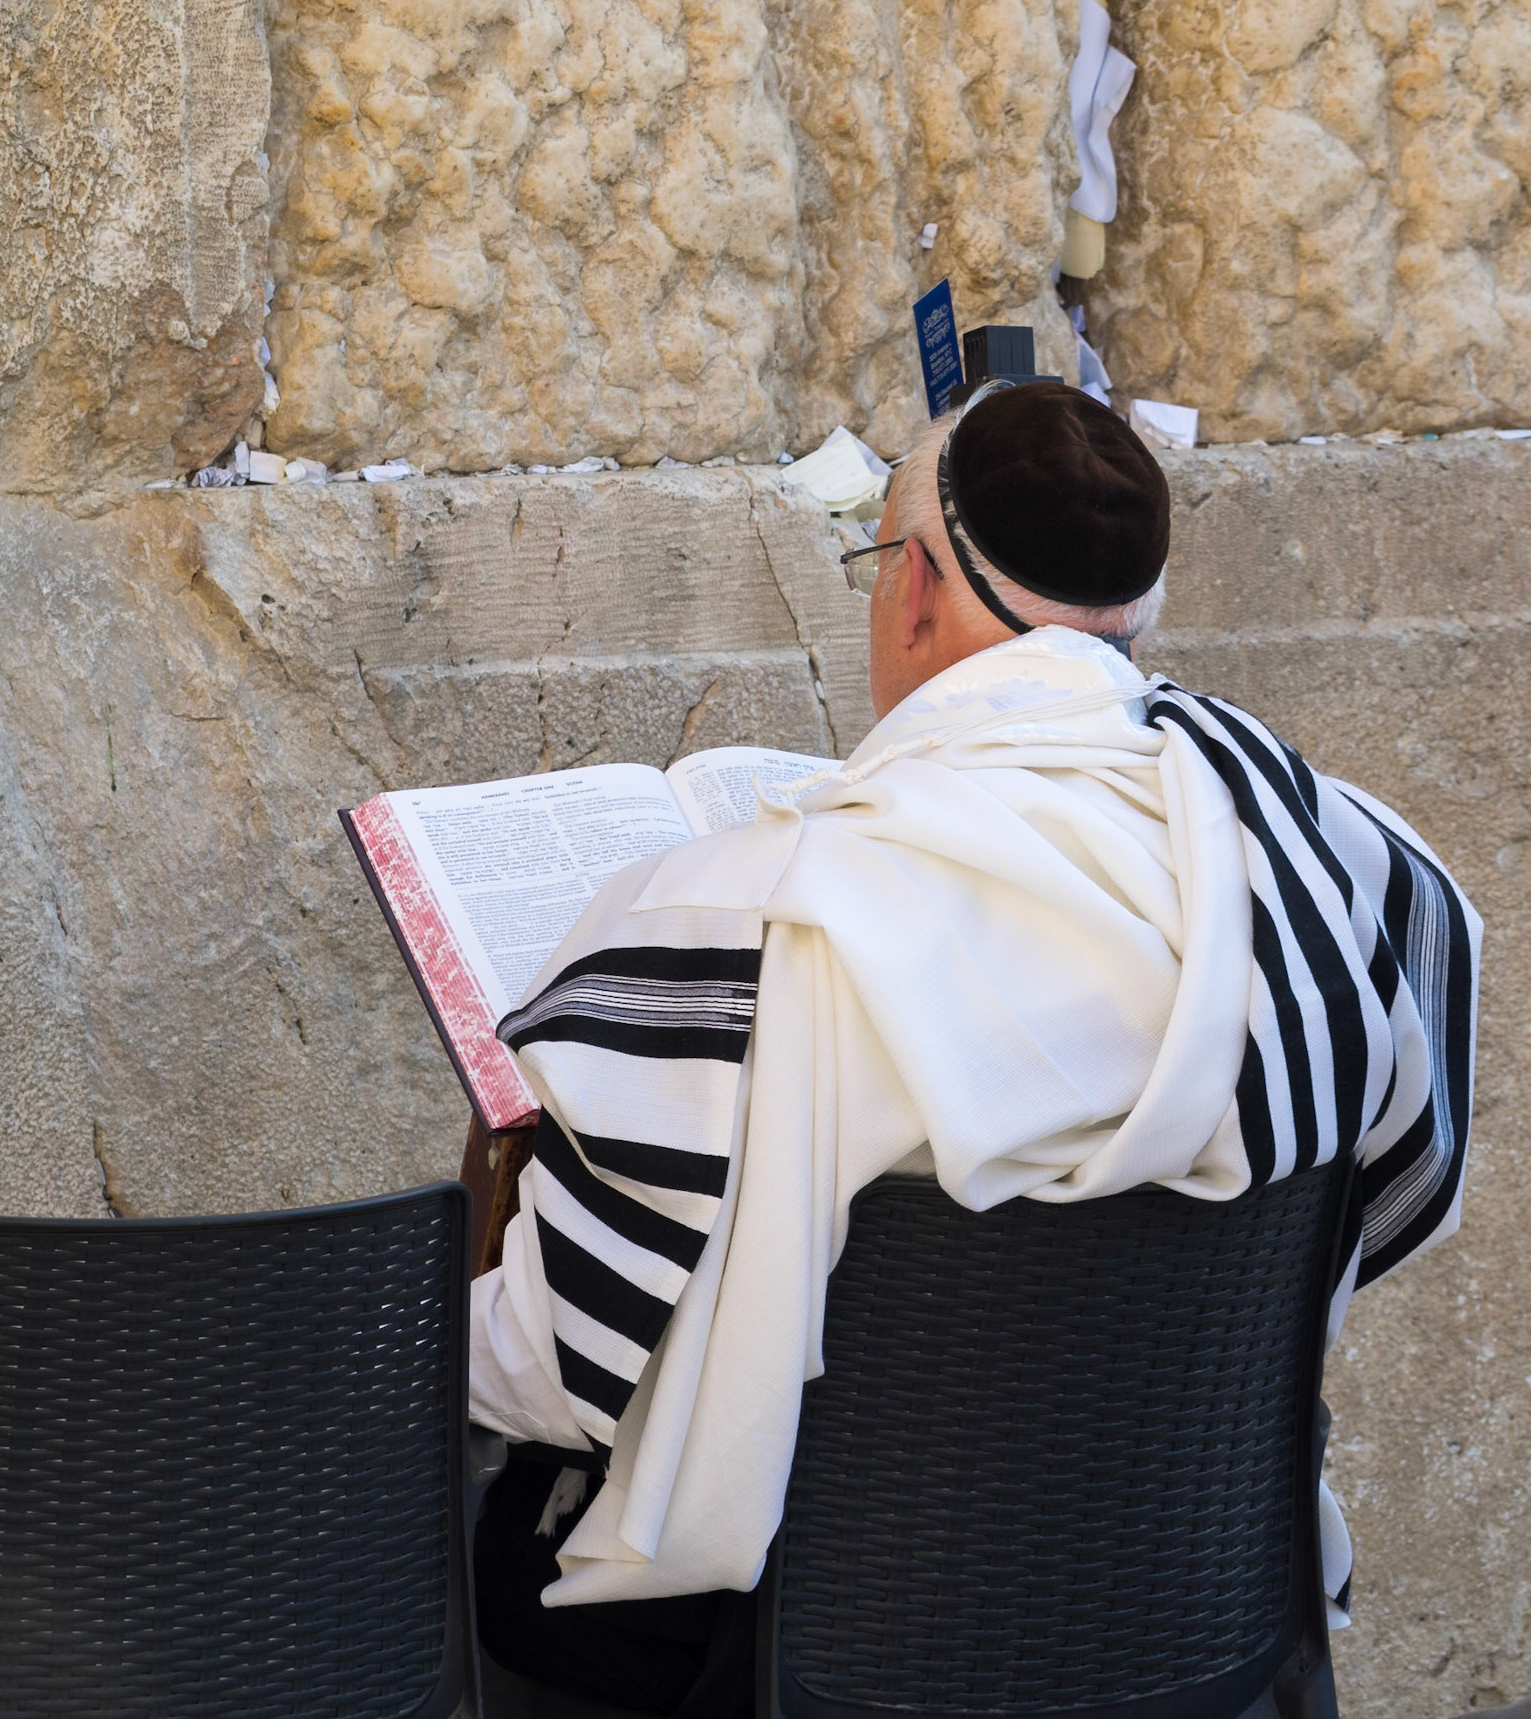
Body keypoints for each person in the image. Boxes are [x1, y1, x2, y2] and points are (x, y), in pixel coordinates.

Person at [469, 380, 1480, 1715]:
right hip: (1187, 1613)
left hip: (792, 1659)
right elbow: (1392, 1202)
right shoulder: (1348, 872)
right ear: (1132, 611)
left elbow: (551, 1370)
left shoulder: (741, 928)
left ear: (921, 586)